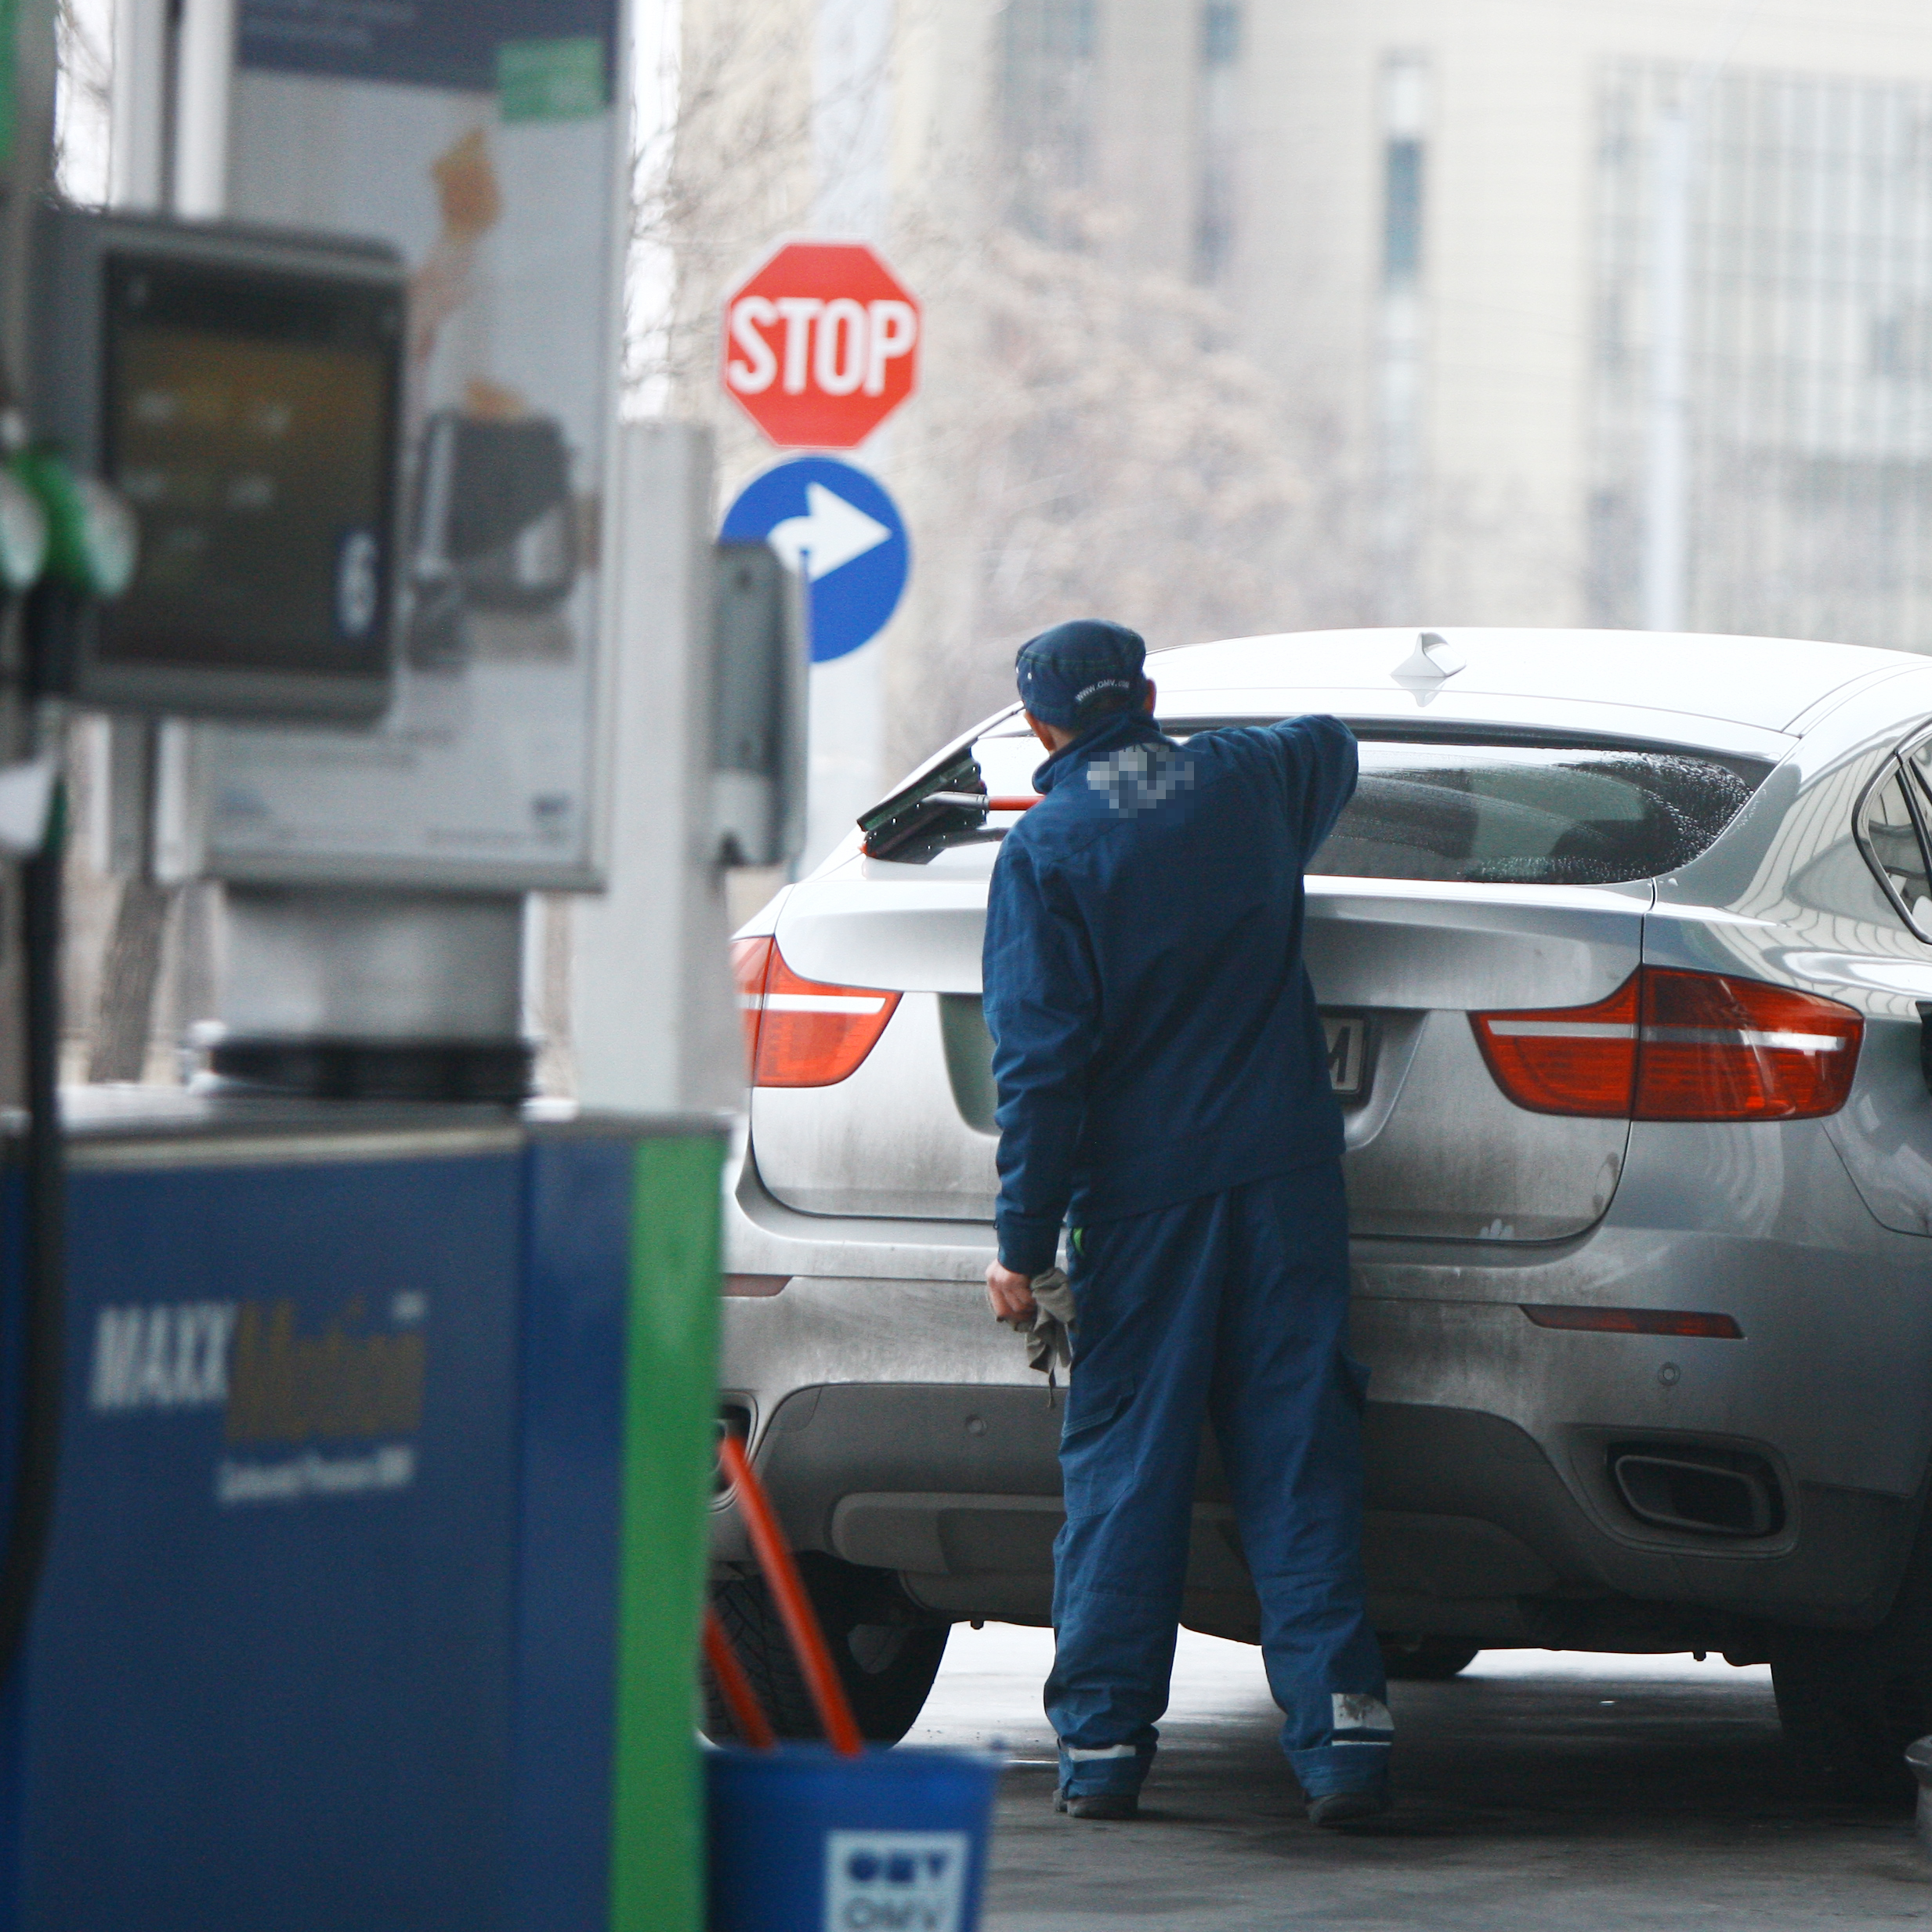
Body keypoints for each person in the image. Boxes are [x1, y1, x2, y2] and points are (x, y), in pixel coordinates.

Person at [980, 617, 1391, 1825]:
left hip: (1142, 1206)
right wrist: (1182, 759)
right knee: (1299, 1452)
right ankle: (1343, 1738)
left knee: (1128, 1467)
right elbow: (1331, 739)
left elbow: (1040, 1072)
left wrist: (1019, 1246)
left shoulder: (1047, 852)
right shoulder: (1250, 780)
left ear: (1038, 726)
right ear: (1149, 694)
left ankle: (1104, 1746)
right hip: (1284, 1184)